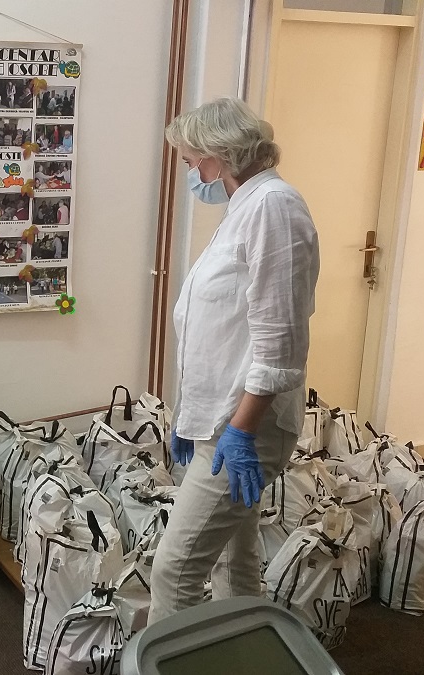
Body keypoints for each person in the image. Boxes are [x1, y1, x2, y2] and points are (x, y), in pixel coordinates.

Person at [147, 98, 320, 626]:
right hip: (220, 419)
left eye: (190, 158)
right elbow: (221, 326)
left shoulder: (274, 208)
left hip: (244, 427)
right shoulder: (245, 207)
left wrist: (239, 430)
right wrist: (190, 414)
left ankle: (166, 660)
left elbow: (279, 340)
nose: (189, 169)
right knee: (234, 561)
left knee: (174, 571)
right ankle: (241, 651)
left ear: (217, 154)